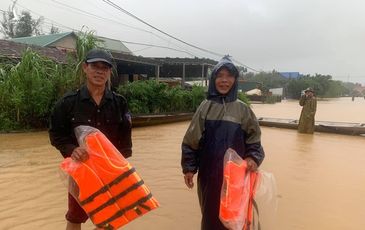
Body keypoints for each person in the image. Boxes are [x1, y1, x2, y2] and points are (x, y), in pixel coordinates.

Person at [49, 48, 132, 230]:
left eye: (105, 68)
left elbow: (125, 140)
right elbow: (56, 134)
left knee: (111, 218)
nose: (100, 71)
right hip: (81, 170)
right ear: (85, 68)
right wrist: (72, 150)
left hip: (110, 171)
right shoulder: (68, 103)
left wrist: (120, 168)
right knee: (75, 217)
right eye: (95, 66)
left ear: (110, 72)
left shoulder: (119, 103)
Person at [181, 56, 265, 230]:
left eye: (229, 76)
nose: (224, 80)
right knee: (211, 217)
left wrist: (252, 158)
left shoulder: (243, 109)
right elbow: (191, 141)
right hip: (209, 176)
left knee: (236, 218)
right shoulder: (205, 107)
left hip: (237, 178)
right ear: (214, 79)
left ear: (235, 80)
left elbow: (255, 141)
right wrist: (189, 168)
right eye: (220, 76)